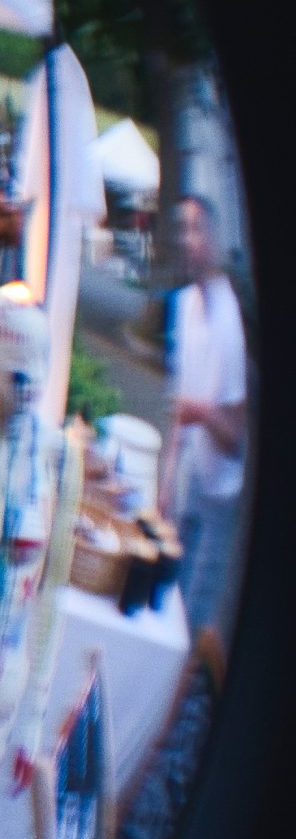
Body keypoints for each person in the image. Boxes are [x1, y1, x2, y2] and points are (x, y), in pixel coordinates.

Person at [159, 195, 247, 668]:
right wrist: (165, 481)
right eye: (181, 229)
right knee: (168, 596)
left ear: (213, 239)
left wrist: (202, 413)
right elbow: (178, 411)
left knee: (191, 620)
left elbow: (234, 438)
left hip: (218, 492)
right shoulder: (183, 304)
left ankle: (191, 690)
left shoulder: (231, 320)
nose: (186, 240)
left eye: (196, 229)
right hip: (188, 479)